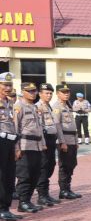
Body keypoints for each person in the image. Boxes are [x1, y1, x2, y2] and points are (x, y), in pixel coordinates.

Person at [14, 82, 46, 213]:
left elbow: (39, 127)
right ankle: (22, 202)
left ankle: (28, 200)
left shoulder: (34, 107)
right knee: (25, 175)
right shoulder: (18, 106)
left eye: (34, 91)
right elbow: (15, 128)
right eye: (30, 91)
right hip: (25, 145)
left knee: (35, 174)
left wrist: (43, 144)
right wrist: (16, 148)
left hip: (37, 146)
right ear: (23, 92)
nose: (33, 93)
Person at [35, 83, 66, 206]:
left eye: (50, 93)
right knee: (43, 167)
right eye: (46, 93)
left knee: (50, 165)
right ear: (40, 94)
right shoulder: (37, 107)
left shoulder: (50, 107)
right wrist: (42, 142)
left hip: (52, 140)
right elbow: (38, 127)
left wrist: (61, 140)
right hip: (44, 140)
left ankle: (46, 194)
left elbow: (56, 125)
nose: (49, 95)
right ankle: (41, 195)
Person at [53, 83, 82, 199]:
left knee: (72, 164)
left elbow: (73, 125)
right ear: (57, 94)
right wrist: (62, 142)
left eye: (67, 92)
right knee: (64, 165)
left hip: (71, 140)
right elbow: (57, 125)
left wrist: (76, 141)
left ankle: (67, 188)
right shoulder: (57, 107)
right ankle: (63, 190)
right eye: (63, 92)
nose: (66, 94)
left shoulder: (68, 106)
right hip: (64, 140)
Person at [0, 72, 21, 221]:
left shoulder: (10, 103)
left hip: (10, 142)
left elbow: (13, 126)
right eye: (4, 85)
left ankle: (6, 207)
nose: (8, 88)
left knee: (9, 175)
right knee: (1, 176)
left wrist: (16, 146)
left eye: (10, 85)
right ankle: (2, 208)